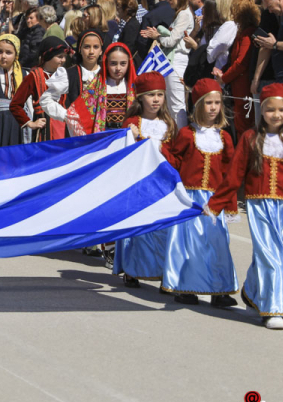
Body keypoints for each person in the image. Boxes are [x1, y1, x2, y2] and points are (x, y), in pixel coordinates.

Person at [207, 83, 283, 329]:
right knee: (270, 257)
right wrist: (216, 204)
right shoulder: (251, 138)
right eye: (271, 109)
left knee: (274, 255)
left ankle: (251, 292)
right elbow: (234, 175)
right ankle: (273, 309)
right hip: (258, 206)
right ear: (262, 109)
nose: (277, 115)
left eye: (282, 110)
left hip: (281, 208)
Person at [160, 79, 239, 306]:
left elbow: (229, 174)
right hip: (191, 199)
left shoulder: (224, 137)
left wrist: (230, 204)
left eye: (217, 103)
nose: (213, 107)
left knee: (217, 244)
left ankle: (219, 290)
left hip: (214, 200)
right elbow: (174, 161)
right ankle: (186, 287)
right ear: (198, 105)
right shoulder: (187, 134)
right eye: (208, 103)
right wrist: (161, 148)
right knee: (189, 244)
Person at [113, 71, 177, 284]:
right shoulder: (132, 122)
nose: (156, 99)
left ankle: (161, 270)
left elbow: (175, 156)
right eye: (151, 95)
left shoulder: (169, 124)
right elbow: (124, 155)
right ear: (140, 98)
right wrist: (131, 137)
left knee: (161, 230)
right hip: (139, 184)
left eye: (160, 94)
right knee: (138, 231)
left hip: (162, 184)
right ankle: (133, 270)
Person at [139, 0, 193, 129]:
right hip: (173, 59)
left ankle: (181, 137)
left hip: (178, 60)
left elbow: (171, 41)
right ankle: (174, 135)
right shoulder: (180, 13)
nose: (168, 1)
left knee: (176, 104)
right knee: (169, 103)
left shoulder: (184, 14)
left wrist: (157, 36)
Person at [213, 0, 261, 139]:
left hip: (243, 88)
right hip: (240, 87)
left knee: (244, 127)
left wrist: (224, 78)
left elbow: (241, 63)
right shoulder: (246, 32)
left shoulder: (248, 34)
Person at [40, 30, 104, 137]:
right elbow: (46, 99)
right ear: (79, 49)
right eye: (87, 47)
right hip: (77, 134)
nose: (91, 51)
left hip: (104, 133)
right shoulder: (69, 74)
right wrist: (66, 115)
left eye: (96, 47)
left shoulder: (107, 74)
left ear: (101, 50)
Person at [66, 42, 137, 136]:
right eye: (113, 64)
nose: (118, 68)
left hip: (129, 136)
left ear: (129, 64)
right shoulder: (96, 86)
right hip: (105, 137)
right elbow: (77, 112)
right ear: (106, 64)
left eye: (123, 64)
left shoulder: (135, 87)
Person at [10, 37, 70, 142]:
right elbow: (15, 104)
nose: (63, 60)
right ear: (48, 57)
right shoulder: (34, 76)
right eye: (60, 57)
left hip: (65, 128)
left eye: (64, 57)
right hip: (44, 131)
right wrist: (30, 123)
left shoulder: (66, 75)